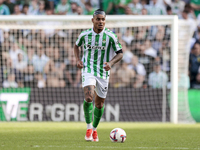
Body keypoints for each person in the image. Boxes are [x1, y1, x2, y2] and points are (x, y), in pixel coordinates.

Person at [74, 9, 123, 142]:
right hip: (88, 68)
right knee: (89, 97)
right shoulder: (85, 34)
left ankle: (95, 129)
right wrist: (78, 59)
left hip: (103, 71)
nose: (101, 22)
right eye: (98, 19)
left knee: (99, 104)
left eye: (103, 19)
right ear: (93, 20)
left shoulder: (111, 36)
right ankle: (89, 127)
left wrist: (111, 63)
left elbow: (120, 53)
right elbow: (76, 46)